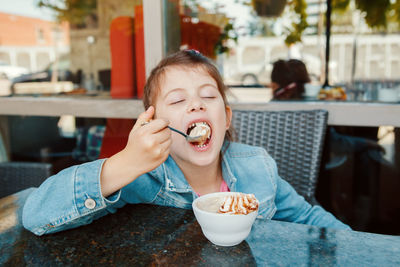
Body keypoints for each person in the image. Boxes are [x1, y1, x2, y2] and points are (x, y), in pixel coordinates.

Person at [22, 50, 350, 236]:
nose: (196, 105)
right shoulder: (141, 179)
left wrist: (361, 248)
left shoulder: (258, 167)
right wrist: (127, 162)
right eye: (177, 101)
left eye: (208, 96)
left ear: (227, 117)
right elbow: (36, 214)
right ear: (154, 123)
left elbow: (310, 219)